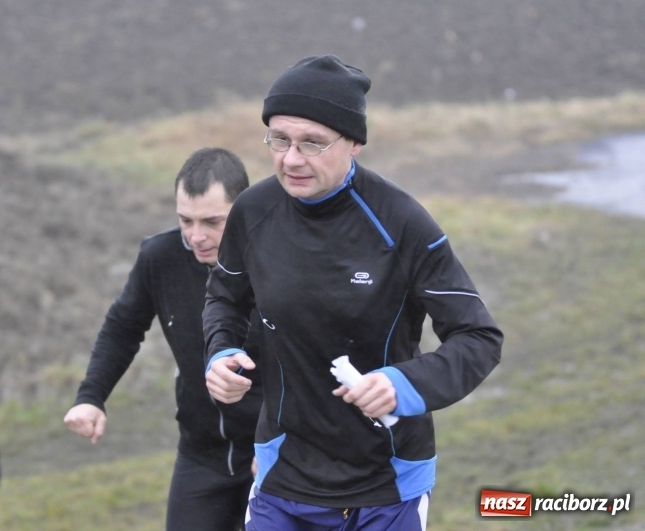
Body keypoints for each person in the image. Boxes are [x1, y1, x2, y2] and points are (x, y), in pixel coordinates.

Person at [203, 55, 503, 531]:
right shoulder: (253, 211)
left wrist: (403, 385)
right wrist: (221, 352)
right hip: (284, 475)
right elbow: (225, 297)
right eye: (278, 139)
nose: (291, 159)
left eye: (312, 143)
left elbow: (478, 337)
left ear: (355, 143)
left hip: (386, 482)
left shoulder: (402, 224)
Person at [64, 147, 262, 531]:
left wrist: (285, 440)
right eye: (185, 220)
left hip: (275, 452)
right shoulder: (161, 257)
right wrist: (91, 396)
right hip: (201, 454)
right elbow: (122, 328)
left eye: (212, 221)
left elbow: (317, 353)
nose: (196, 236)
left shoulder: (279, 258)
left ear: (243, 211)